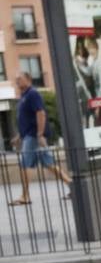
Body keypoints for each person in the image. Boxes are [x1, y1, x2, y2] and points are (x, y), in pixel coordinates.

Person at [8, 72, 73, 207]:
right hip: (28, 135)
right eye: (16, 80)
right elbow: (26, 119)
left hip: (33, 136)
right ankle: (73, 188)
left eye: (20, 79)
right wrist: (19, 136)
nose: (17, 82)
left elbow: (41, 113)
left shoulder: (33, 94)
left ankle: (25, 196)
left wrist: (40, 134)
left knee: (24, 164)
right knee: (49, 165)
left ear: (28, 79)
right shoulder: (24, 96)